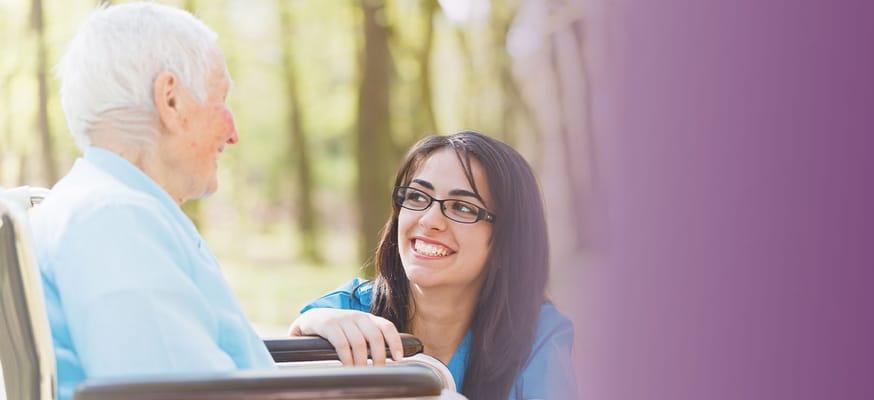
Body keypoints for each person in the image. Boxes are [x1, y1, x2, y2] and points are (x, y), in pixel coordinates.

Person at [29, 4, 274, 399]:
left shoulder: (108, 205)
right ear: (171, 101)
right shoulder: (113, 222)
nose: (232, 132)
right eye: (220, 101)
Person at [290, 131, 578, 399]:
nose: (429, 221)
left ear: (507, 240)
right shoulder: (353, 309)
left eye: (463, 207)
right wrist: (310, 324)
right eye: (417, 197)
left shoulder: (538, 338)